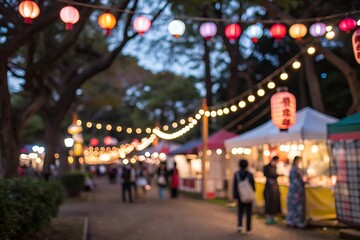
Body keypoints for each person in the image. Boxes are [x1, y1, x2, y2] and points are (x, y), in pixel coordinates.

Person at [233, 159, 255, 234]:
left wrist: (235, 196)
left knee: (240, 210)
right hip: (248, 195)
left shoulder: (236, 174)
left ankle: (240, 225)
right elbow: (253, 186)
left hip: (240, 195)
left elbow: (235, 186)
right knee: (249, 212)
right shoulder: (250, 174)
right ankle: (248, 229)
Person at [286, 156, 306, 228]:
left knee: (292, 206)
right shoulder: (296, 169)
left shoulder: (292, 169)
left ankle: (291, 221)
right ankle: (297, 222)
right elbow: (301, 178)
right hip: (297, 189)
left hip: (293, 189)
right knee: (297, 206)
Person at [263, 156, 281, 224]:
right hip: (269, 187)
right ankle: (268, 217)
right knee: (269, 201)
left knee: (274, 202)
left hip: (274, 186)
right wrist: (276, 175)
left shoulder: (274, 167)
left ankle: (272, 217)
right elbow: (267, 174)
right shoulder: (266, 167)